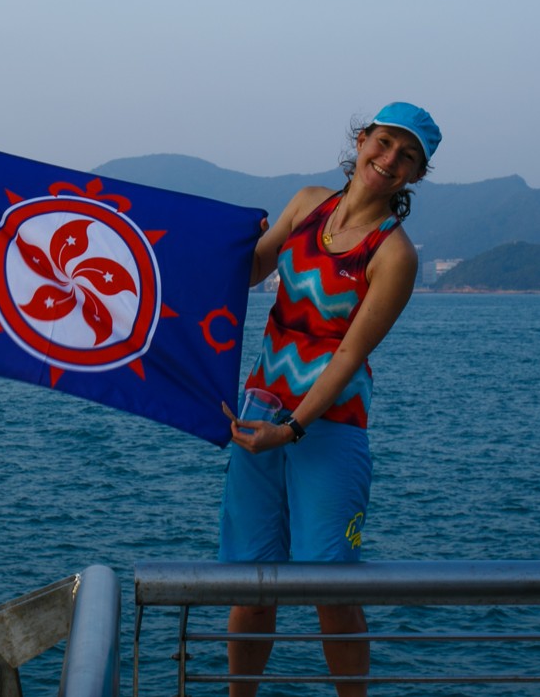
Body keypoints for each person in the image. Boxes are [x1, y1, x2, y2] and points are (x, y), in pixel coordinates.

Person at [217, 102, 442, 697]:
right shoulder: (306, 203)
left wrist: (290, 429)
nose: (390, 159)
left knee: (331, 589)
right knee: (250, 582)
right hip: (259, 409)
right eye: (385, 143)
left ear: (415, 176)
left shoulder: (395, 254)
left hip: (328, 425)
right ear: (363, 139)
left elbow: (347, 356)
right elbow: (245, 272)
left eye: (408, 156)